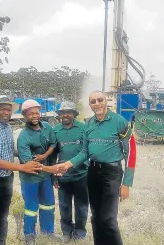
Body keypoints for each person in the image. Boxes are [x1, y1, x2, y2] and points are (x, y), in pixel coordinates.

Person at [58, 91, 137, 245]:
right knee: (95, 217)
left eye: (100, 100)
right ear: (90, 105)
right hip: (93, 172)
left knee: (109, 219)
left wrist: (126, 183)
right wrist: (67, 164)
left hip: (112, 174)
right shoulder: (88, 124)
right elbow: (85, 152)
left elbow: (131, 154)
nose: (97, 104)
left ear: (105, 101)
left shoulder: (120, 122)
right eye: (93, 101)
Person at [0, 95, 43, 245]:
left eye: (9, 109)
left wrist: (26, 155)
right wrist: (22, 167)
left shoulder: (7, 127)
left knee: (1, 216)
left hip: (6, 179)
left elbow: (8, 150)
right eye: (3, 109)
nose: (7, 112)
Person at [17, 99, 61, 245]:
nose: (35, 116)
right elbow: (29, 163)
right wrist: (50, 168)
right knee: (31, 206)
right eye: (31, 113)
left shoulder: (47, 126)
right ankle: (29, 234)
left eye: (37, 112)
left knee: (48, 204)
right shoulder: (24, 136)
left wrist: (44, 156)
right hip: (30, 179)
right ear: (25, 115)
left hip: (45, 178)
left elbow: (53, 143)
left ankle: (48, 231)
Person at [52, 101, 89, 243]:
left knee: (82, 205)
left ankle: (80, 232)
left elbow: (87, 151)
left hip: (81, 174)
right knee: (64, 206)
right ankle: (67, 232)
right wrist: (53, 175)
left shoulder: (83, 128)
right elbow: (53, 154)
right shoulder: (55, 131)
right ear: (60, 115)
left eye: (69, 112)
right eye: (63, 112)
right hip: (63, 177)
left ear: (74, 114)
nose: (66, 115)